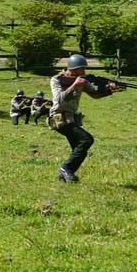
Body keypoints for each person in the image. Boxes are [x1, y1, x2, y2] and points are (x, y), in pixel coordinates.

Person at [49, 54, 122, 183]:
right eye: (80, 69)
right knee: (86, 140)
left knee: (79, 148)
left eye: (84, 69)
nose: (83, 71)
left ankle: (65, 175)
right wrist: (75, 85)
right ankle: (66, 169)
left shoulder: (82, 80)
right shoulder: (57, 80)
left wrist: (109, 90)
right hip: (59, 117)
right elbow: (60, 99)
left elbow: (95, 94)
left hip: (71, 117)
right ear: (72, 69)